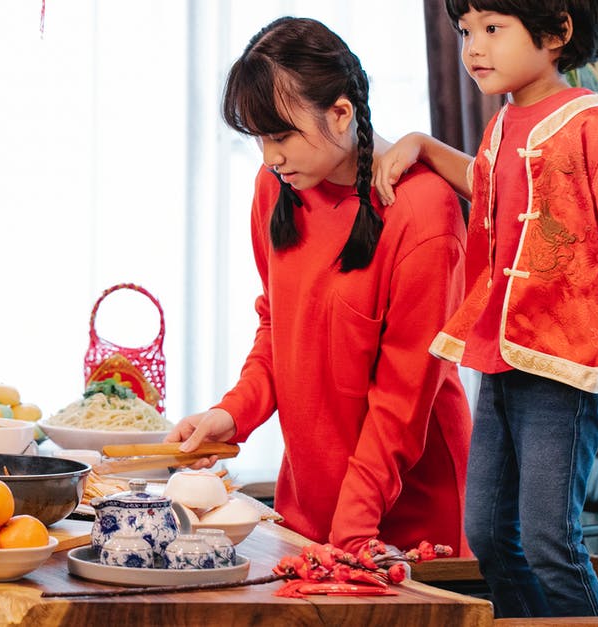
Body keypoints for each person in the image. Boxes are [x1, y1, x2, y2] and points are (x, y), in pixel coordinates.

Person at [373, 0, 598, 618]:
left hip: (564, 365)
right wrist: (420, 143)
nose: (473, 47)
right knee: (491, 535)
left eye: (492, 30)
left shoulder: (593, 124)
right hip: (501, 358)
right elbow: (484, 182)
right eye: (465, 31)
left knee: (550, 538)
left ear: (557, 32)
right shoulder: (503, 124)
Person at [166, 16, 473, 558]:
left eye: (281, 136)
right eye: (260, 138)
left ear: (340, 113)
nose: (269, 156)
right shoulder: (277, 187)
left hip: (408, 525)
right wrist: (235, 412)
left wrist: (352, 533)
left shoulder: (424, 211)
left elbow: (401, 403)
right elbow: (279, 327)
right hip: (309, 513)